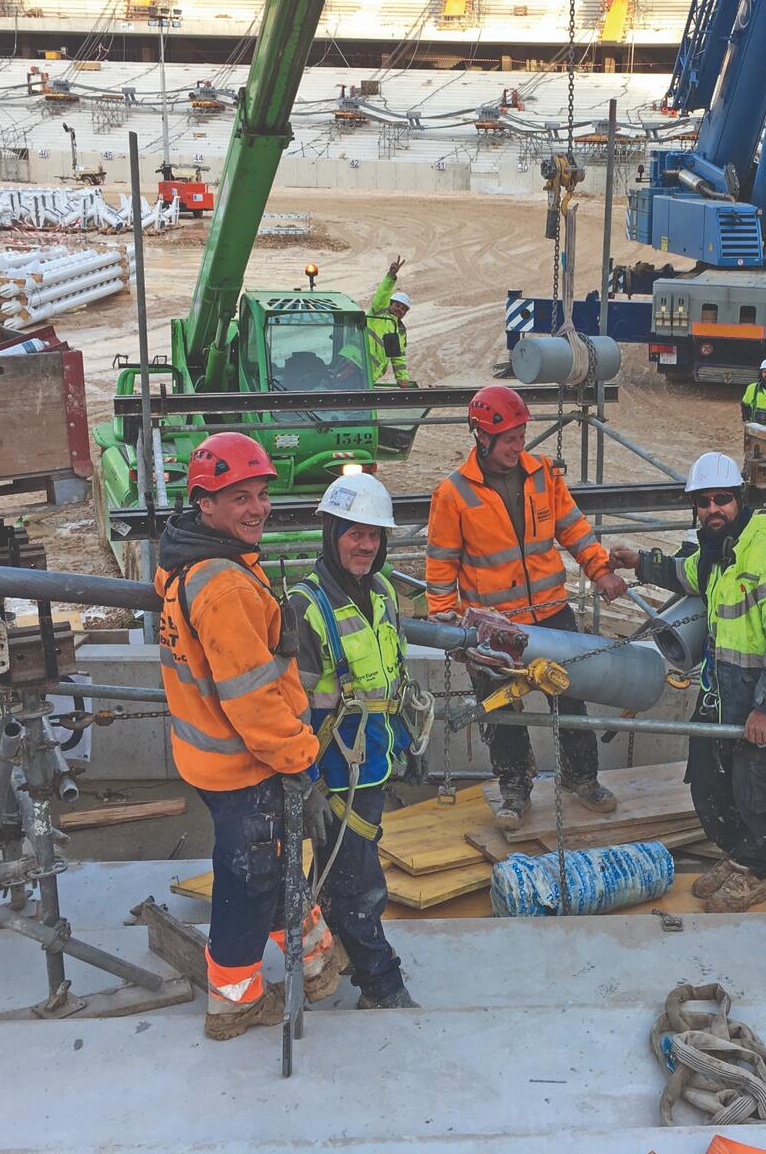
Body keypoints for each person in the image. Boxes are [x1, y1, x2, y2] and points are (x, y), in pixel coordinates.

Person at [155, 432, 340, 1040]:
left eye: (260, 494)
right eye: (240, 498)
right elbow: (252, 699)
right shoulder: (226, 585)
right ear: (205, 503)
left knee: (276, 865)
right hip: (248, 764)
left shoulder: (186, 563)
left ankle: (313, 966)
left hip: (215, 760)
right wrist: (301, 756)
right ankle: (234, 1003)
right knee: (250, 883)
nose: (257, 508)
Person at [609, 452, 766, 913]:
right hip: (724, 690)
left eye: (721, 499)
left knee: (755, 782)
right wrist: (639, 563)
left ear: (739, 499)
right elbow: (687, 575)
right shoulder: (716, 547)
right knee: (707, 776)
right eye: (703, 502)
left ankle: (755, 869)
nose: (712, 509)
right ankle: (736, 852)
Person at [425, 386, 628, 830]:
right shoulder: (454, 494)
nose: (519, 446)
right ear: (482, 437)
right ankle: (515, 789)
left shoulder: (543, 476)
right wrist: (443, 619)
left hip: (552, 614)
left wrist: (601, 571)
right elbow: (441, 562)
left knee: (571, 701)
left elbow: (574, 529)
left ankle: (582, 778)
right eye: (510, 438)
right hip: (492, 628)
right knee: (500, 712)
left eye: (521, 435)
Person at [288, 472, 417, 1010]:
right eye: (354, 533)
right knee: (361, 884)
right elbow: (288, 708)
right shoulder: (305, 607)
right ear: (332, 532)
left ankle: (327, 956)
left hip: (374, 762)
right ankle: (381, 983)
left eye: (374, 535)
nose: (366, 545)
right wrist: (308, 783)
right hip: (333, 773)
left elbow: (393, 679)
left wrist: (408, 741)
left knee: (338, 873)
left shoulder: (383, 593)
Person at [367, 255, 413, 388]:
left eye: (403, 309)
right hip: (353, 363)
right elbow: (382, 295)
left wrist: (402, 379)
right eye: (397, 305)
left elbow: (398, 357)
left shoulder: (400, 332)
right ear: (390, 304)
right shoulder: (378, 313)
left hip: (371, 375)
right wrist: (391, 277)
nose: (399, 309)